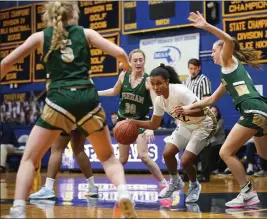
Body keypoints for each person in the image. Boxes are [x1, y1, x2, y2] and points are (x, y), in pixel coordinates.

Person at [0, 2, 136, 217]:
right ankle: (123, 193)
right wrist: (124, 65)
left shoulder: (40, 37)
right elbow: (119, 52)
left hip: (59, 100)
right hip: (88, 98)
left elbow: (6, 63)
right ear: (75, 13)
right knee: (108, 158)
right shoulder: (87, 33)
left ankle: (18, 209)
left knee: (29, 159)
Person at [176, 11, 267, 208]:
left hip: (252, 110)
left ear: (223, 51)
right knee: (265, 152)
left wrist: (205, 25)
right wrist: (187, 107)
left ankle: (247, 192)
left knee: (225, 152)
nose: (212, 54)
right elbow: (211, 99)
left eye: (214, 50)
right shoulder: (229, 74)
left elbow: (228, 40)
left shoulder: (228, 60)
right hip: (262, 110)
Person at [130, 64, 217, 203]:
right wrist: (134, 122)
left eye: (159, 83)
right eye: (153, 84)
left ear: (167, 82)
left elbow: (203, 110)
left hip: (204, 124)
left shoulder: (180, 91)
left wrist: (186, 110)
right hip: (187, 124)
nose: (156, 87)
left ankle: (194, 185)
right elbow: (154, 124)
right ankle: (176, 181)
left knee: (185, 160)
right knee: (167, 153)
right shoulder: (159, 100)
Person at [98, 49, 168, 190]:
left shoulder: (148, 81)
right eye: (135, 60)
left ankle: (164, 184)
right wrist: (96, 93)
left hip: (140, 121)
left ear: (144, 61)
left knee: (143, 156)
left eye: (140, 60)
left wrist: (150, 127)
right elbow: (114, 91)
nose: (138, 63)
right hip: (124, 121)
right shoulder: (124, 76)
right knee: (122, 159)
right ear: (130, 62)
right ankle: (118, 186)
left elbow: (157, 105)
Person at [29, 129, 98, 199]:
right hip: (81, 120)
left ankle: (48, 188)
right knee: (79, 150)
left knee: (56, 150)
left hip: (66, 119)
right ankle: (92, 187)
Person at [198, 106, 225, 182]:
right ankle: (201, 173)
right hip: (209, 143)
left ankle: (205, 175)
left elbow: (213, 131)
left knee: (206, 152)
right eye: (212, 111)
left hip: (217, 143)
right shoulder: (207, 120)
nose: (213, 113)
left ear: (218, 113)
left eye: (215, 111)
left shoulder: (220, 121)